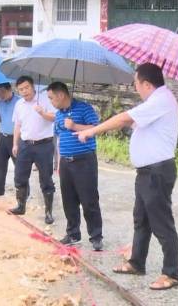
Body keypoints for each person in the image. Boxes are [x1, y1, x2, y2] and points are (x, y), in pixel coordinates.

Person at [77, 63, 178, 291]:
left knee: (161, 222)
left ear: (146, 83)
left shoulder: (161, 100)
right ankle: (137, 262)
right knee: (141, 220)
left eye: (136, 83)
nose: (136, 88)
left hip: (157, 171)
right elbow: (132, 121)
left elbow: (124, 118)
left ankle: (171, 273)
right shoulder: (155, 103)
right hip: (147, 172)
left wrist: (92, 131)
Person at [47, 81, 103, 251]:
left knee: (89, 199)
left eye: (51, 98)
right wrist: (58, 162)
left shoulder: (84, 108)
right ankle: (73, 233)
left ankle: (96, 236)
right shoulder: (58, 115)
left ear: (61, 95)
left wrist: (74, 126)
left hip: (84, 160)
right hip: (66, 161)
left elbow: (96, 128)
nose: (50, 101)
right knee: (68, 200)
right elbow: (58, 138)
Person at [9, 76, 58, 224]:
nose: (24, 91)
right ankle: (21, 205)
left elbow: (56, 117)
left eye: (27, 88)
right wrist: (15, 144)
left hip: (44, 145)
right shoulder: (19, 104)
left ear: (33, 87)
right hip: (25, 144)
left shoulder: (44, 100)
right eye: (21, 89)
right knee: (20, 176)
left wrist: (42, 112)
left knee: (46, 178)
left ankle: (48, 212)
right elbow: (17, 125)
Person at [0, 82, 20, 197]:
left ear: (9, 89)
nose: (0, 95)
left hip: (15, 137)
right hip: (2, 136)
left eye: (2, 92)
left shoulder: (19, 102)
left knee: (19, 166)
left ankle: (22, 193)